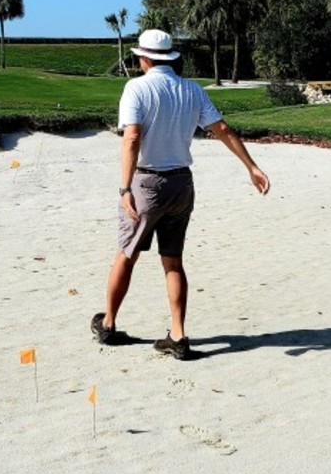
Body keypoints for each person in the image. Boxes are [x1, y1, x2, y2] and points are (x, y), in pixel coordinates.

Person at [92, 29, 270, 360]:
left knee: (127, 255)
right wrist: (252, 167)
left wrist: (125, 188)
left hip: (147, 184)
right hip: (182, 185)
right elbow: (222, 129)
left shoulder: (137, 88)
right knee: (173, 260)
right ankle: (178, 335)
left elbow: (132, 138)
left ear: (144, 59)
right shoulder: (192, 90)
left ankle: (108, 324)